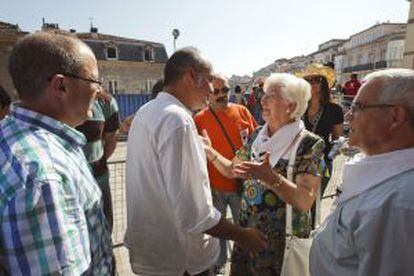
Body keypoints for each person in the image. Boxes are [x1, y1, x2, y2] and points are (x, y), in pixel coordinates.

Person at [125, 47, 267, 276]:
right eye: (209, 80)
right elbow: (194, 213)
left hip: (154, 256)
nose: (212, 90)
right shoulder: (177, 120)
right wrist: (243, 235)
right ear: (191, 76)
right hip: (181, 261)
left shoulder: (148, 110)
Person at [0, 32, 113, 274]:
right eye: (94, 80)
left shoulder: (11, 132)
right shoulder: (44, 175)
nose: (99, 91)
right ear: (61, 85)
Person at [202, 73, 326, 275]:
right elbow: (233, 169)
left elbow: (304, 201)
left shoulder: (310, 144)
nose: (262, 100)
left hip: (280, 245)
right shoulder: (257, 136)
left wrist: (271, 178)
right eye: (263, 93)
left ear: (291, 106)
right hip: (248, 236)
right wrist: (211, 152)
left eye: (271, 95)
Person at [310, 68, 414, 275]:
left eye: (357, 107)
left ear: (395, 117)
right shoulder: (378, 171)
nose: (348, 116)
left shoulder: (398, 204)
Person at [194, 73, 258, 273]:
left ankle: (245, 267)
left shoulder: (243, 111)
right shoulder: (199, 119)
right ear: (208, 93)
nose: (221, 95)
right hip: (214, 188)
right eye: (216, 91)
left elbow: (256, 141)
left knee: (245, 230)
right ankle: (218, 267)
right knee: (218, 234)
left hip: (242, 187)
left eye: (225, 90)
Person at [76, 90, 120, 232]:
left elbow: (112, 139)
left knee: (105, 229)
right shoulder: (57, 100)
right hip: (71, 183)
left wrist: (97, 162)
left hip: (99, 178)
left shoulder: (105, 102)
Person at [298, 64, 344, 197]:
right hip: (297, 161)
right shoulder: (298, 107)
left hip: (321, 162)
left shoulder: (334, 109)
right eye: (307, 80)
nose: (311, 83)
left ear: (323, 84)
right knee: (298, 205)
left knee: (315, 206)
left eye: (316, 80)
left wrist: (330, 157)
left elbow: (337, 138)